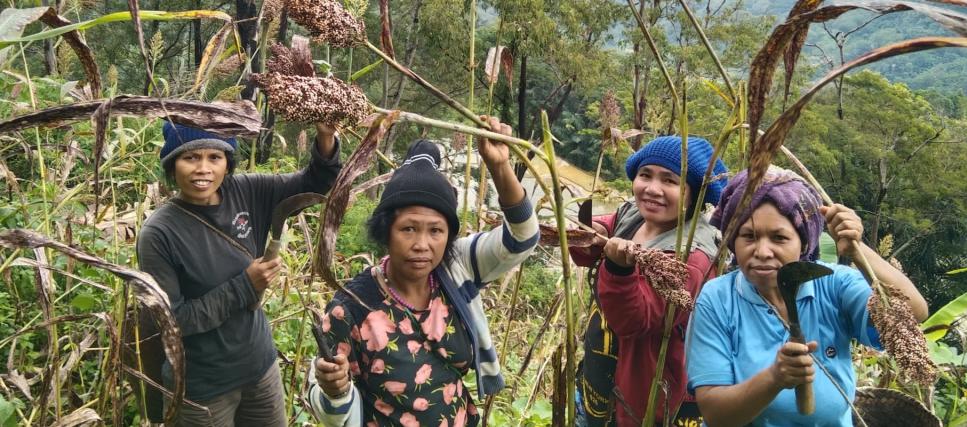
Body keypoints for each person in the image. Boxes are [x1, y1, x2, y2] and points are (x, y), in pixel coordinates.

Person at [309, 117, 539, 426]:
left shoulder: (457, 266)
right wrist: (333, 391)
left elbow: (522, 238)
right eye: (408, 229)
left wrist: (499, 167)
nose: (422, 244)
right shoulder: (349, 308)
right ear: (385, 232)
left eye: (436, 231)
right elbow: (331, 415)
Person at [685, 166, 929, 426]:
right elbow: (715, 414)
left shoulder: (832, 283)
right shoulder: (718, 299)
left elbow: (914, 312)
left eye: (779, 238)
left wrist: (858, 250)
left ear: (804, 243)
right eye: (749, 236)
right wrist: (774, 378)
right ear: (733, 241)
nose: (763, 251)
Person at [136, 121, 341, 426]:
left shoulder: (247, 191)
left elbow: (312, 184)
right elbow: (172, 321)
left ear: (227, 162)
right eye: (190, 158)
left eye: (214, 158)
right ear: (172, 163)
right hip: (201, 390)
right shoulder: (159, 233)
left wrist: (325, 138)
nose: (203, 168)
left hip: (260, 369)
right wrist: (245, 286)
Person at [570, 135, 729, 426]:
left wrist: (619, 270)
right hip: (598, 385)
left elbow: (634, 320)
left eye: (669, 180)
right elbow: (594, 241)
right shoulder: (633, 215)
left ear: (694, 194)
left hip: (645, 405)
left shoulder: (693, 258)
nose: (652, 189)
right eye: (646, 175)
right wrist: (587, 233)